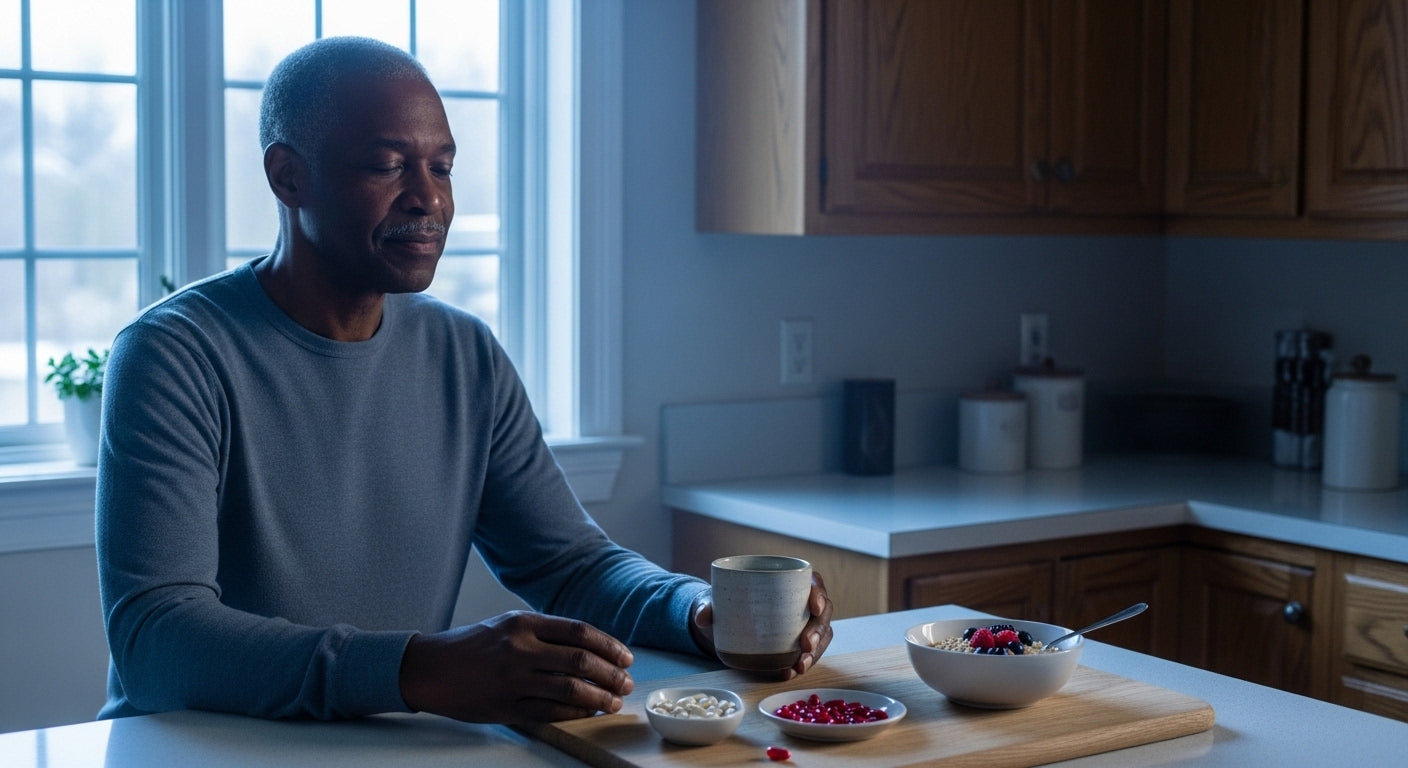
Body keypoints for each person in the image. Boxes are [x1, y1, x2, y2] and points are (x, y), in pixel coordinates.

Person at [95, 36, 833, 726]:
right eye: (388, 165)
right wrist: (417, 670)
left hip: (385, 745)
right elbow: (157, 642)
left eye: (442, 167)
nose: (430, 199)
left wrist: (695, 610)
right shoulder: (174, 355)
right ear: (289, 176)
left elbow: (569, 564)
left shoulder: (462, 353)